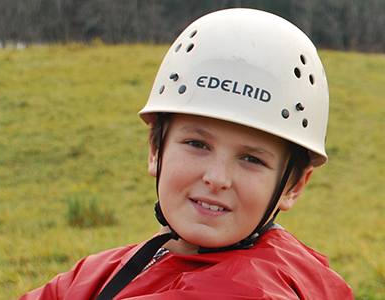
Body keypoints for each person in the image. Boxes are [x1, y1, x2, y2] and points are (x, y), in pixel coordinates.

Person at [20, 8, 353, 300]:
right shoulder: (115, 268)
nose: (216, 178)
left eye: (252, 159)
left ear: (292, 186)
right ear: (155, 149)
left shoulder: (254, 290)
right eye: (198, 144)